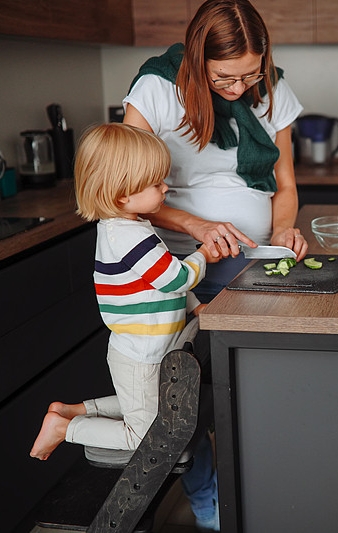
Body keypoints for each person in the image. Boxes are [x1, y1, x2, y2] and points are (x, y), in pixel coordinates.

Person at [122, 0, 307, 529]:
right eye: (225, 77)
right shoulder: (157, 89)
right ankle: (210, 502)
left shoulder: (271, 87)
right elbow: (126, 187)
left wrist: (283, 231)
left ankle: (270, 484)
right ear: (197, 57)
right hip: (172, 259)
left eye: (251, 73)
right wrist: (197, 227)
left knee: (259, 379)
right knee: (180, 393)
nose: (240, 87)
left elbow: (286, 186)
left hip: (253, 256)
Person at [29, 123, 215, 464]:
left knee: (147, 405)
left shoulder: (133, 227)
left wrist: (196, 306)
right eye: (157, 183)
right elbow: (175, 278)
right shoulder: (129, 237)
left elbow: (157, 284)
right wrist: (204, 254)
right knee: (143, 434)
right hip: (139, 354)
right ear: (121, 196)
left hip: (152, 348)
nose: (166, 187)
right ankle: (64, 428)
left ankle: (71, 410)